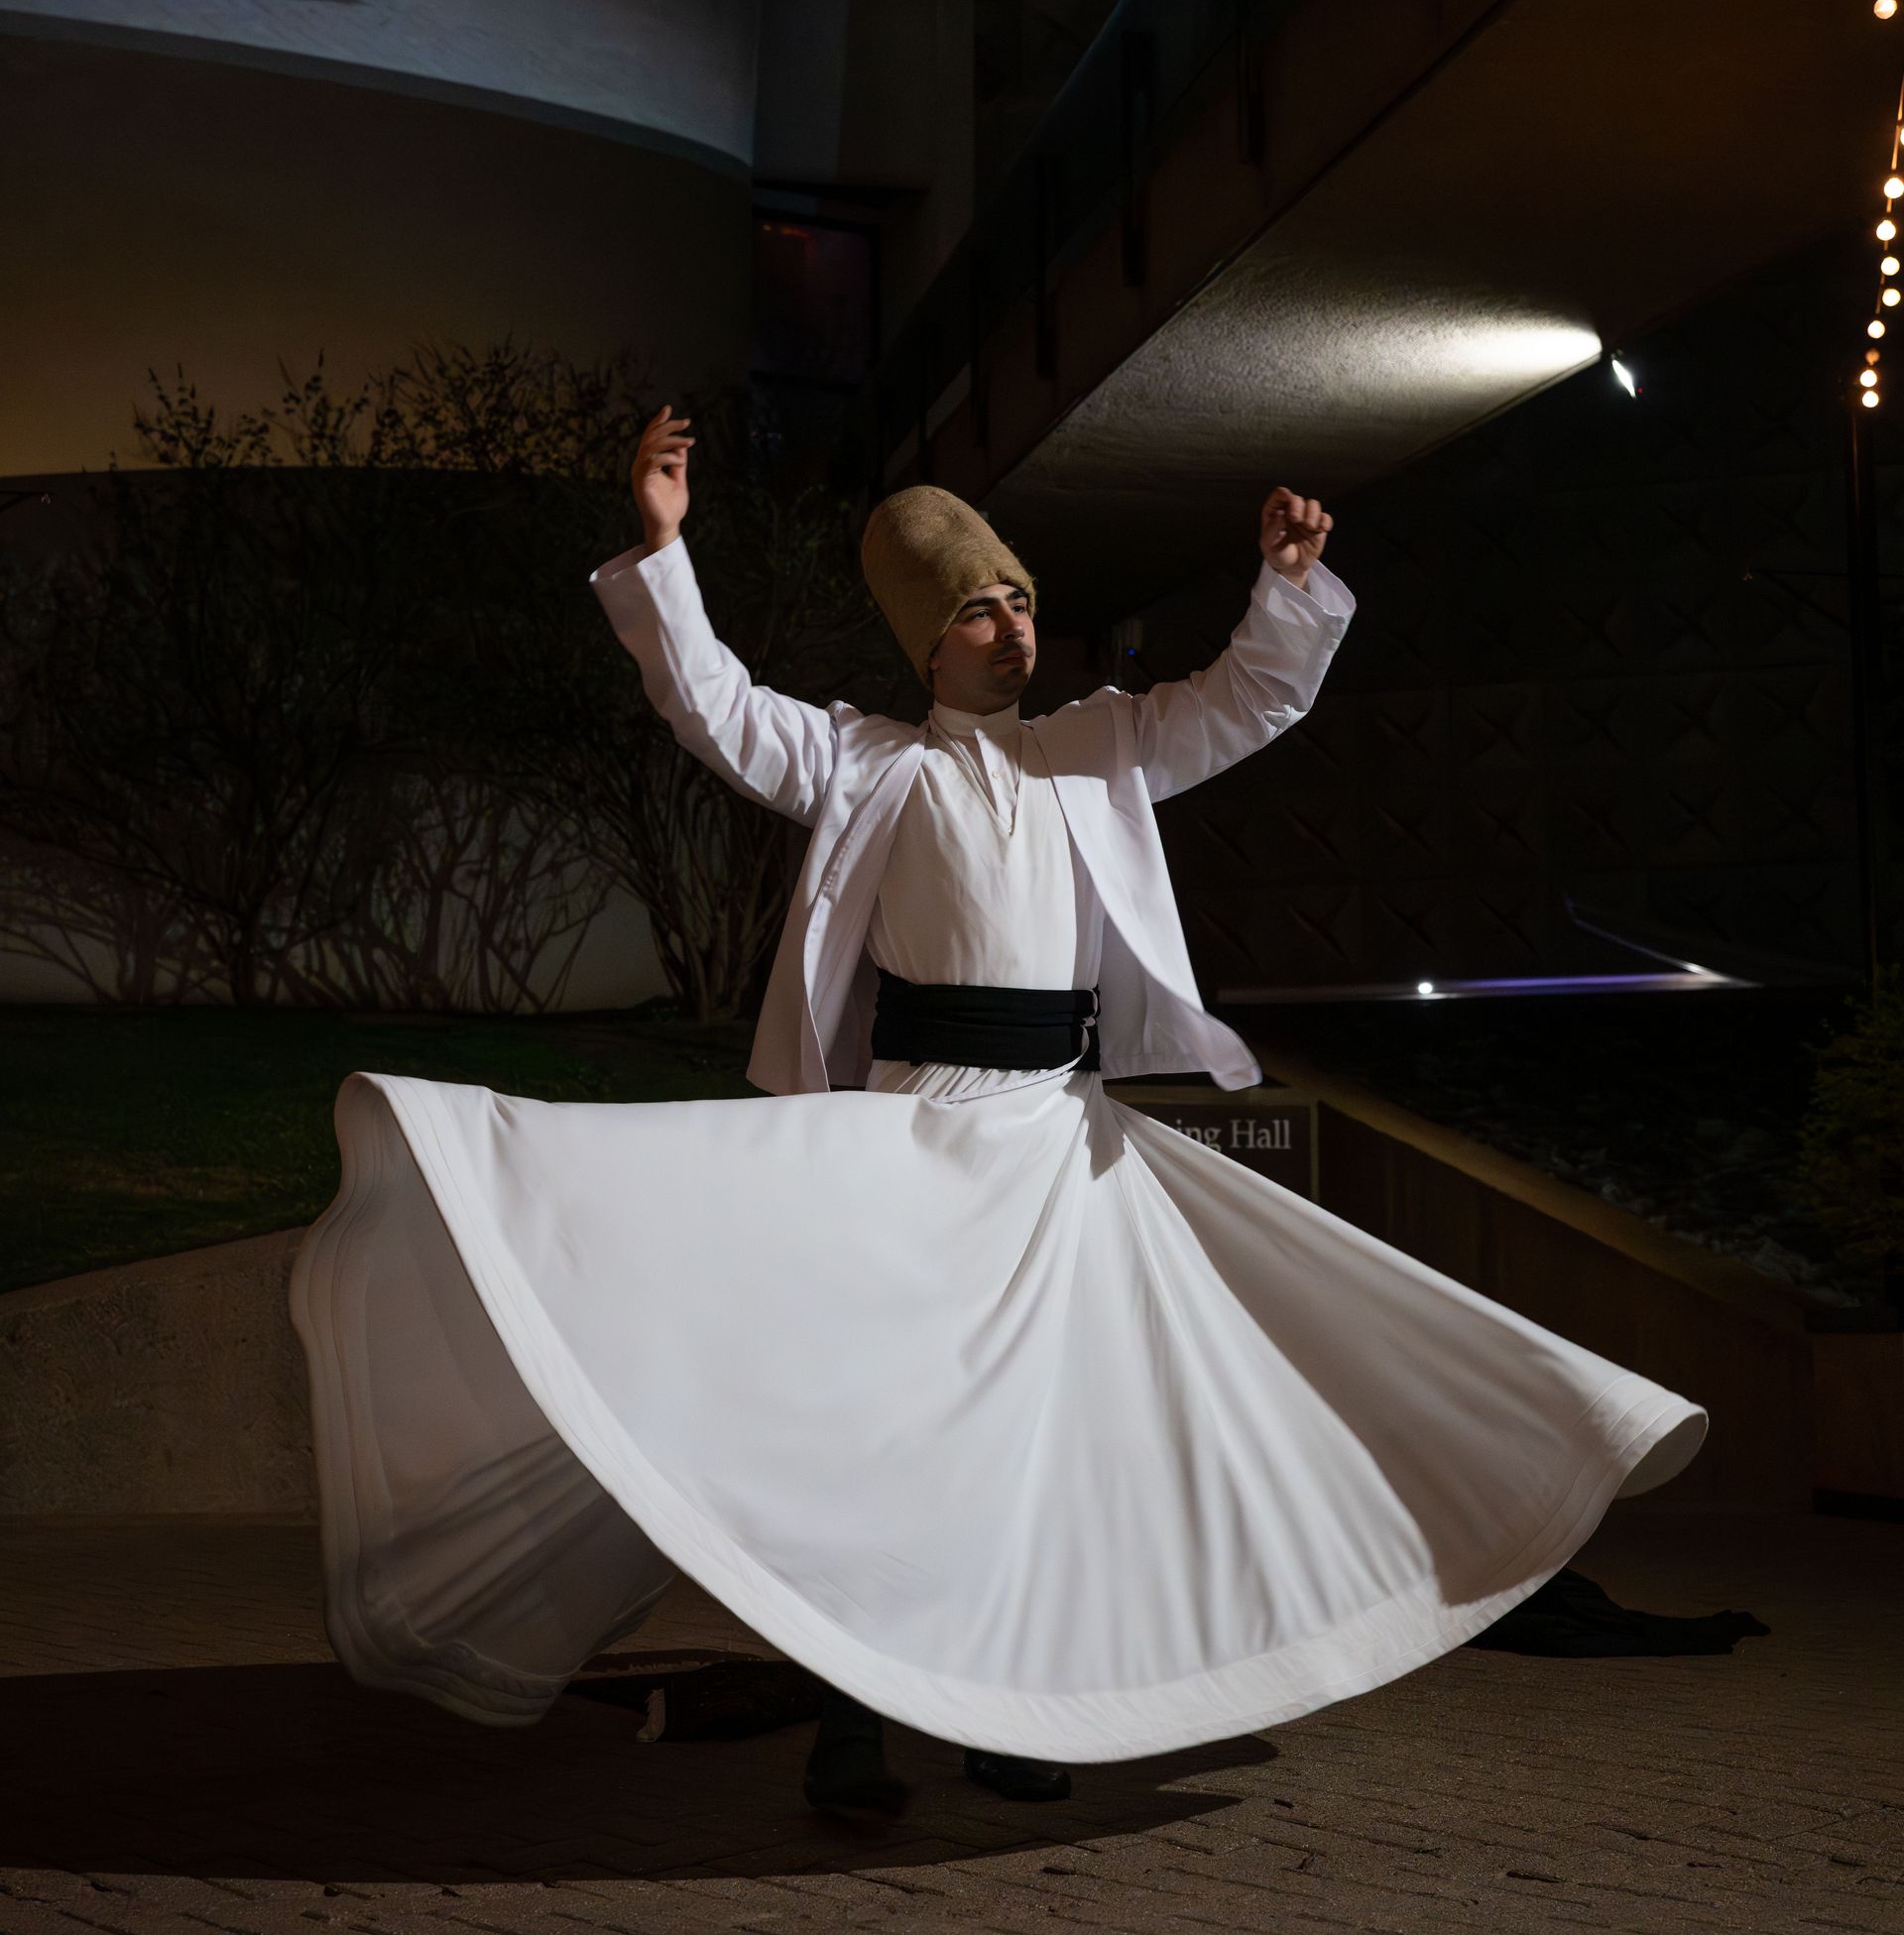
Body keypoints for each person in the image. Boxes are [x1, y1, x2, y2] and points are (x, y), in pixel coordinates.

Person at [292, 413, 1705, 1814]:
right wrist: (664, 550)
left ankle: (1020, 1715)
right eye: (979, 608)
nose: (1013, 623)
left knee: (1051, 1453)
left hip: (1063, 1150)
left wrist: (1280, 589)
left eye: (1021, 597)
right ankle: (855, 1724)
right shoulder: (865, 766)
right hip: (913, 1143)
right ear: (928, 644)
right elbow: (715, 707)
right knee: (882, 1446)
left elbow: (1248, 699)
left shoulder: (1101, 746)